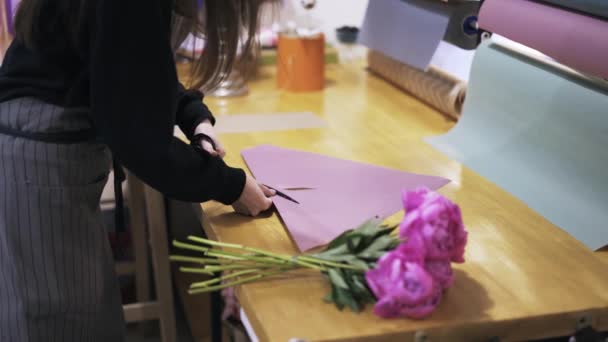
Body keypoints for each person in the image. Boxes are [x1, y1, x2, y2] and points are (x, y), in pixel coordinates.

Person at [0, 0, 274, 340]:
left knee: (84, 318)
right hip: (35, 169)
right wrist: (231, 184)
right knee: (59, 325)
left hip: (42, 163)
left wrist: (193, 116)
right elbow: (142, 142)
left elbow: (129, 67)